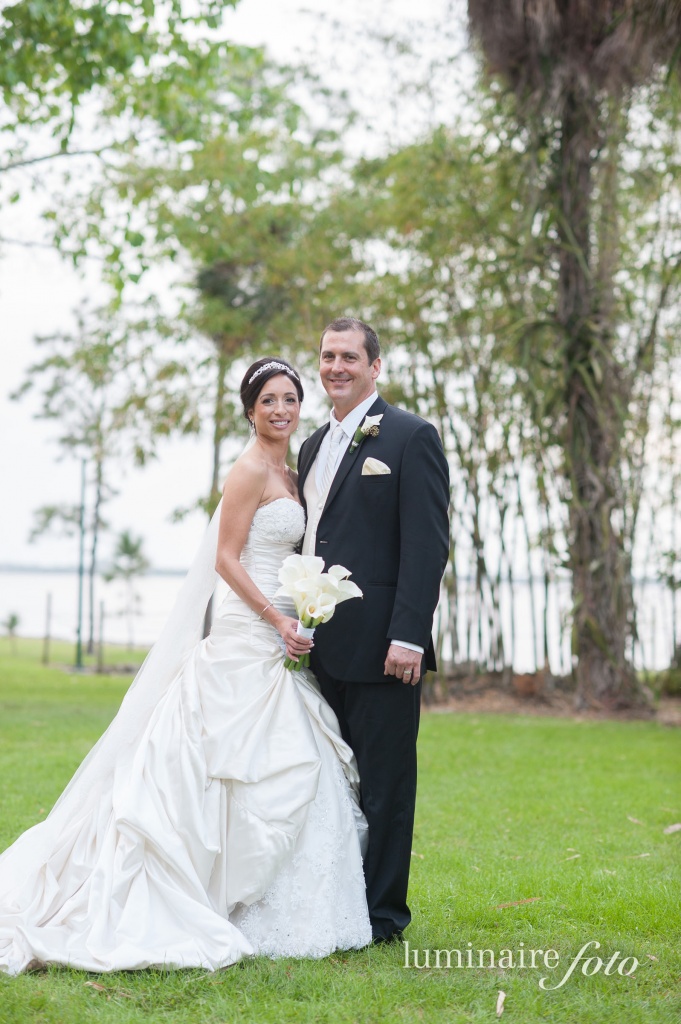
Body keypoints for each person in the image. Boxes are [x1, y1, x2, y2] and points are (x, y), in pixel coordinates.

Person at [0, 357, 371, 976]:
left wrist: (302, 611)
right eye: (267, 402)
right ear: (250, 411)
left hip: (283, 633)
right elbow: (227, 559)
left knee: (294, 756)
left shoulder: (294, 464)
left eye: (288, 399)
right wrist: (276, 619)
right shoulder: (250, 469)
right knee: (226, 761)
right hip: (245, 632)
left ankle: (283, 910)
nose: (280, 410)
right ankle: (208, 892)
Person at [296, 318, 450, 944]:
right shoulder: (309, 446)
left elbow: (426, 545)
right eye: (328, 356)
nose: (336, 367)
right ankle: (334, 905)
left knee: (386, 786)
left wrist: (408, 636)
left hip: (386, 647)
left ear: (375, 366)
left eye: (349, 357)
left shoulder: (412, 437)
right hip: (318, 649)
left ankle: (382, 916)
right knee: (329, 785)